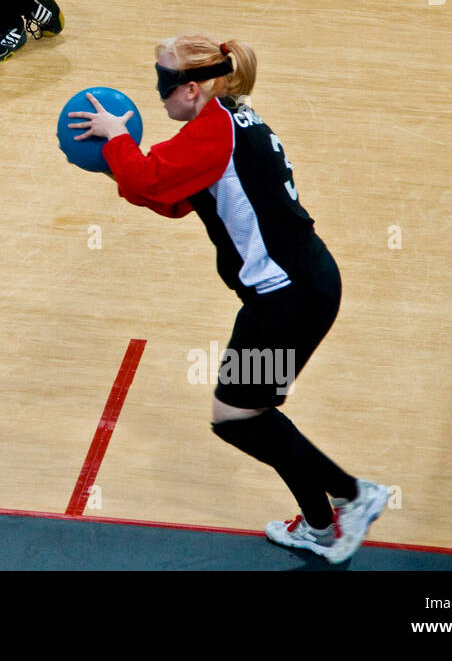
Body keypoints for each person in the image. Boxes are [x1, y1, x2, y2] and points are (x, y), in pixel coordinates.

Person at [68, 34, 389, 563]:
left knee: (236, 417)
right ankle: (320, 525)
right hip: (303, 284)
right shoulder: (230, 117)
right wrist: (116, 160)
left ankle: (355, 496)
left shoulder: (211, 131)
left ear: (190, 89)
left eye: (161, 83)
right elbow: (171, 198)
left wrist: (116, 139)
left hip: (287, 299)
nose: (157, 94)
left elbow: (150, 175)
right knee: (255, 410)